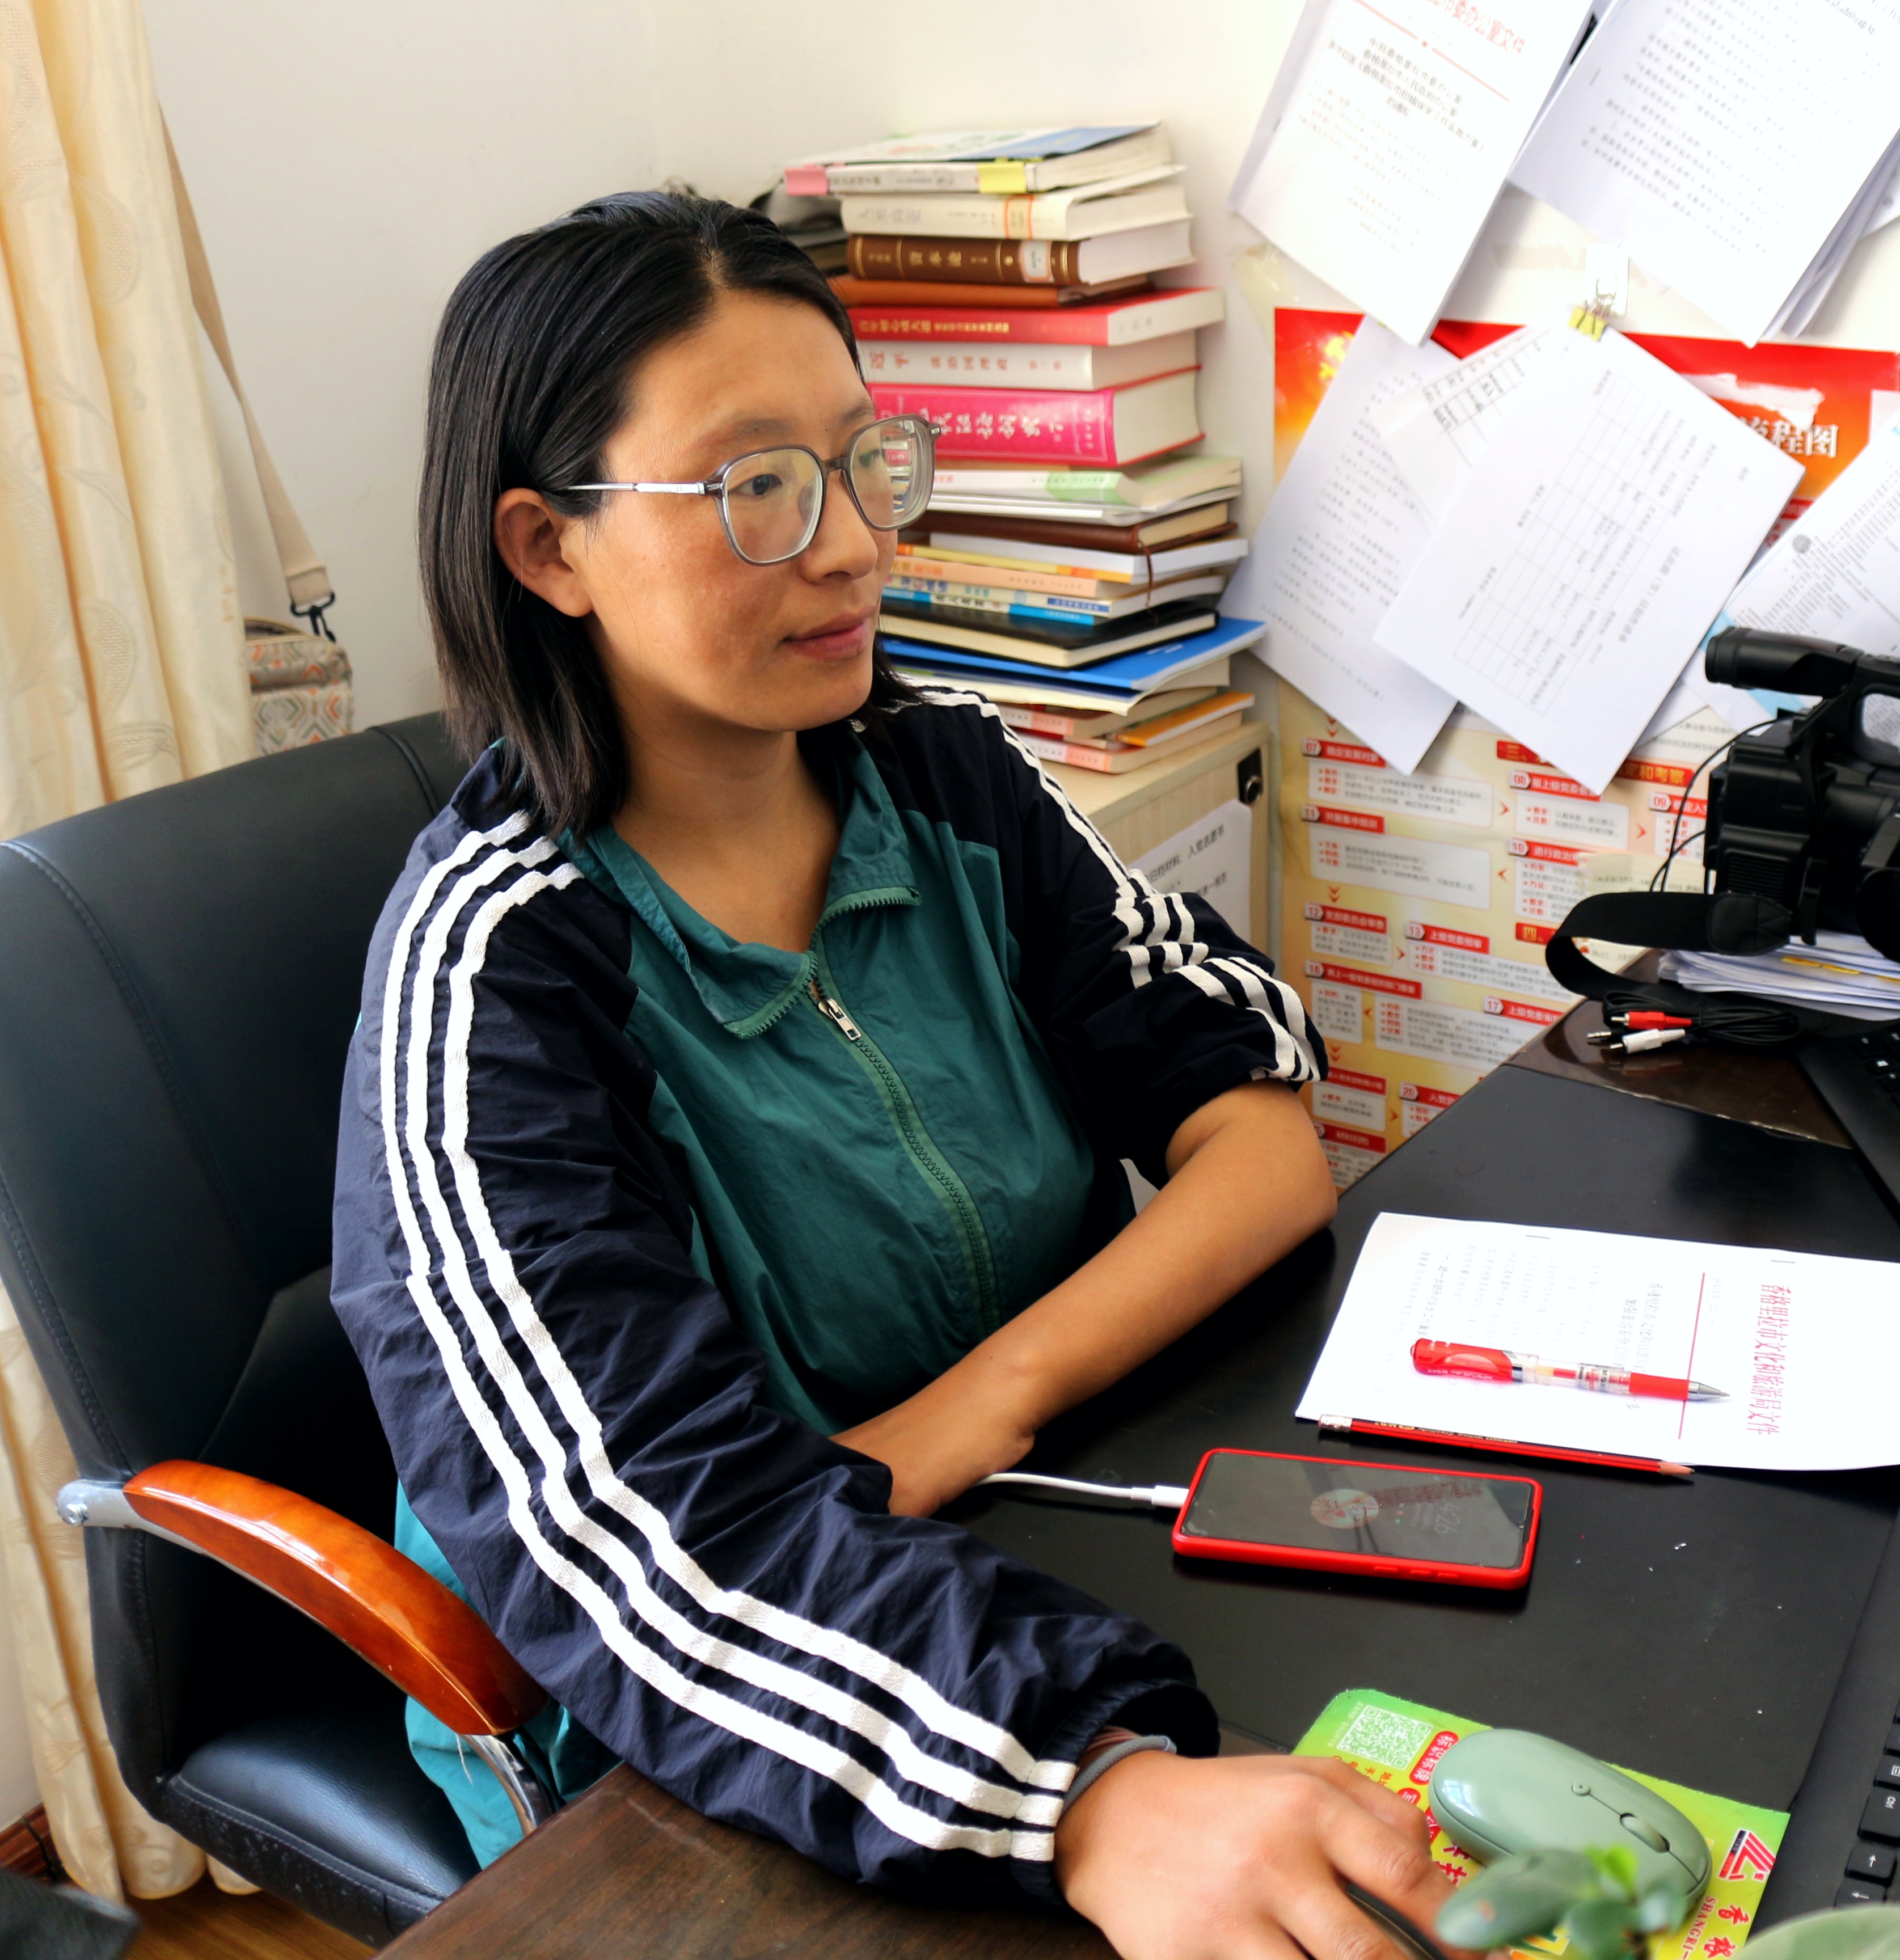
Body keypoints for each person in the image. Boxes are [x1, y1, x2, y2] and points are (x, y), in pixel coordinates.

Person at [331, 190, 1455, 1958]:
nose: (855, 545)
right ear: (550, 550)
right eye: (757, 487)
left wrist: (976, 1409)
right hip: (725, 1720)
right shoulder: (494, 981)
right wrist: (1090, 1795)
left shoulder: (944, 771)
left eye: (866, 463)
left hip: (1037, 1510)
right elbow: (659, 1569)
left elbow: (1253, 1129)